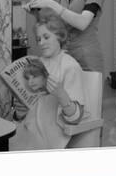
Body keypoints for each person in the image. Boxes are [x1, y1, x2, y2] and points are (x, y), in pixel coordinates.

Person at [10, 12, 85, 151]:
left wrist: (61, 94)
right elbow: (27, 109)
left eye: (46, 37)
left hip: (49, 135)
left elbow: (76, 118)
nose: (41, 43)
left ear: (60, 36)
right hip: (26, 129)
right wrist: (20, 112)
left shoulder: (70, 66)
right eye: (38, 39)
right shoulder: (37, 63)